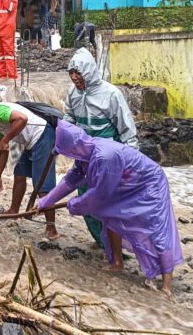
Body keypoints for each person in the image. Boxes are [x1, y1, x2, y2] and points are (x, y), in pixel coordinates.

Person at [36, 120, 183, 298]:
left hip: (148, 183)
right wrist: (45, 202)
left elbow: (99, 196)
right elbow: (70, 181)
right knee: (112, 219)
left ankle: (166, 285)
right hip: (124, 182)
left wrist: (75, 204)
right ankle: (117, 263)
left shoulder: (104, 156)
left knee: (157, 227)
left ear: (72, 147)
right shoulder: (84, 154)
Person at [65, 48, 139, 248]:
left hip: (109, 159)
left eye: (78, 73)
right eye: (71, 73)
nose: (74, 77)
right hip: (84, 158)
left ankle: (121, 250)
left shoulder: (111, 94)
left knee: (110, 205)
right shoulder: (73, 93)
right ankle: (102, 243)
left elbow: (127, 130)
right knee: (87, 202)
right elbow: (69, 119)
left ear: (88, 71)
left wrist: (130, 162)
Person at [0, 94, 59, 240]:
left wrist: (6, 139)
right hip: (31, 141)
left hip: (43, 136)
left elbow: (22, 119)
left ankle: (51, 228)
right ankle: (13, 211)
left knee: (42, 185)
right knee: (19, 173)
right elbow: (3, 149)